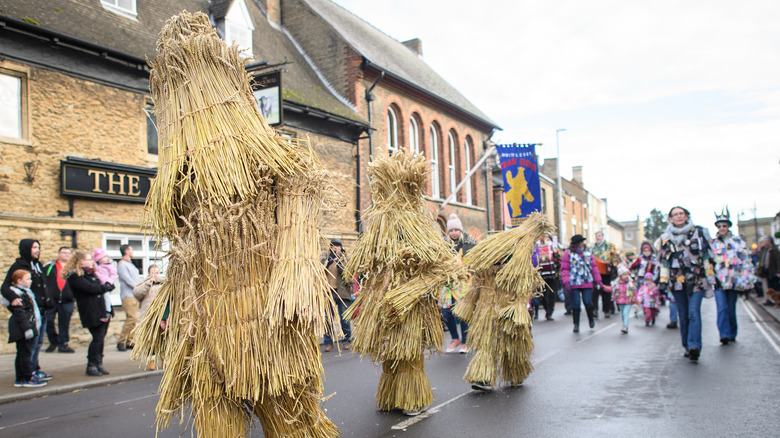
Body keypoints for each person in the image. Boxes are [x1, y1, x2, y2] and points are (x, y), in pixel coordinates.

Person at [658, 206, 715, 362]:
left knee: (694, 313)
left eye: (681, 213)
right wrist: (663, 281)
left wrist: (710, 278)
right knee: (683, 315)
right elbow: (664, 262)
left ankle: (694, 346)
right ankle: (686, 345)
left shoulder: (699, 233)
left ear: (686, 216)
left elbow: (706, 257)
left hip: (696, 280)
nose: (678, 216)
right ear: (670, 218)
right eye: (675, 214)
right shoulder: (665, 238)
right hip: (677, 281)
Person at [1, 239, 53, 382]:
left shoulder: (38, 265)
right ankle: (27, 374)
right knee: (29, 346)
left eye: (39, 247)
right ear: (26, 249)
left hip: (42, 311)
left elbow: (44, 286)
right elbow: (5, 287)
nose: (38, 250)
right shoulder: (19, 266)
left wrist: (50, 300)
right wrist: (13, 298)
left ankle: (35, 369)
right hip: (30, 313)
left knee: (38, 343)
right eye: (34, 247)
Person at [64, 251, 115, 376]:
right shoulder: (75, 276)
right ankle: (91, 365)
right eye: (88, 259)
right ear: (80, 261)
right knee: (97, 337)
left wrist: (106, 286)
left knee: (101, 337)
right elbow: (92, 289)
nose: (91, 261)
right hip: (91, 311)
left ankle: (99, 363)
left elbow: (104, 286)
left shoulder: (92, 274)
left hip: (103, 309)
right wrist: (106, 287)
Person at [711, 210, 753, 345]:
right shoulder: (712, 243)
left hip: (733, 280)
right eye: (719, 226)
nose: (722, 228)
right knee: (722, 308)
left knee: (730, 308)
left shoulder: (737, 241)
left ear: (729, 226)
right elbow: (708, 262)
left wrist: (745, 278)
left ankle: (732, 332)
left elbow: (745, 259)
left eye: (724, 225)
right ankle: (724, 334)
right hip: (719, 281)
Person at [3, 269, 47, 388]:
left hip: (24, 326)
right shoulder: (18, 295)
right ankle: (27, 378)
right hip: (22, 328)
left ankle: (20, 378)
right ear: (19, 281)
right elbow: (20, 314)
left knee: (22, 353)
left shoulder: (25, 292)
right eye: (27, 279)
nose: (30, 281)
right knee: (25, 353)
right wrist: (28, 329)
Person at [441, 214, 475, 353]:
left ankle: (465, 342)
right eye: (451, 231)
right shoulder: (443, 245)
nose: (454, 233)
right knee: (446, 313)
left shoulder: (469, 244)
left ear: (460, 230)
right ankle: (455, 338)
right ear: (448, 232)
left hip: (464, 284)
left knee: (462, 313)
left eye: (456, 230)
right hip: (448, 284)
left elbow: (474, 263)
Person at [561, 234, 604, 333]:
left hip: (586, 281)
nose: (582, 243)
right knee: (576, 304)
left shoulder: (588, 253)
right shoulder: (568, 254)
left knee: (587, 301)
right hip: (574, 282)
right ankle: (576, 324)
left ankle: (591, 319)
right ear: (576, 244)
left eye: (582, 242)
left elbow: (594, 268)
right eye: (580, 242)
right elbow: (565, 269)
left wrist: (598, 280)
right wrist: (566, 281)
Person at [43, 247, 75, 353]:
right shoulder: (49, 266)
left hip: (67, 300)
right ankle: (53, 341)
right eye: (64, 252)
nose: (66, 254)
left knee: (64, 323)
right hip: (52, 300)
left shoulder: (73, 268)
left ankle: (63, 344)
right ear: (59, 254)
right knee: (49, 321)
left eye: (68, 253)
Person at [322, 238, 352, 352]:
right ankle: (329, 343)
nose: (336, 248)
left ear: (341, 247)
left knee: (344, 318)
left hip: (342, 293)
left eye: (338, 246)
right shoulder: (325, 259)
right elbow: (320, 272)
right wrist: (328, 262)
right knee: (327, 319)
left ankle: (346, 341)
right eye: (334, 246)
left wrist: (338, 261)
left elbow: (346, 274)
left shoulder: (345, 259)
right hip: (329, 292)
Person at [134, 264, 163, 370]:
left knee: (163, 338)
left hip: (161, 316)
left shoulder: (162, 284)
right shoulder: (145, 284)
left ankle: (164, 359)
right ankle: (151, 361)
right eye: (152, 273)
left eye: (157, 272)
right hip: (149, 316)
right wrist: (148, 284)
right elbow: (137, 293)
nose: (155, 275)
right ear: (148, 274)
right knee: (151, 339)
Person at [116, 244, 140, 351]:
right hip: (128, 295)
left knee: (134, 319)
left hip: (134, 295)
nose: (132, 251)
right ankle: (121, 341)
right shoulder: (122, 265)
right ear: (126, 251)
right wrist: (138, 287)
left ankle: (130, 341)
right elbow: (127, 279)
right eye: (131, 249)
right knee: (131, 318)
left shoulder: (130, 264)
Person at [591, 231, 618, 319]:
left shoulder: (609, 246)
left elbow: (615, 258)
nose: (598, 238)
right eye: (596, 236)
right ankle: (594, 309)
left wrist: (611, 265)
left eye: (599, 236)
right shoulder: (593, 247)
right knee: (595, 291)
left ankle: (606, 310)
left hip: (606, 272)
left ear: (602, 236)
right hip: (595, 272)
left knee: (606, 291)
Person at [606, 264, 637, 334]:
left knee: (626, 313)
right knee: (623, 314)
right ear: (620, 276)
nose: (626, 276)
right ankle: (624, 325)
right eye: (624, 275)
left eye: (627, 274)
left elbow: (635, 291)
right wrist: (603, 287)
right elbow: (611, 289)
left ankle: (625, 326)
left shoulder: (631, 283)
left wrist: (635, 300)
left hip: (628, 301)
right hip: (620, 301)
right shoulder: (617, 284)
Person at [536, 235, 561, 321]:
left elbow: (560, 262)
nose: (546, 240)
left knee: (552, 295)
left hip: (553, 276)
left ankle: (549, 312)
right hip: (541, 276)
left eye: (548, 239)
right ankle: (547, 309)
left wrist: (555, 257)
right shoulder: (537, 249)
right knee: (542, 295)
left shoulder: (555, 250)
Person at [93, 248, 117, 325]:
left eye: (104, 257)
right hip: (99, 285)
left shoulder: (109, 265)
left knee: (106, 297)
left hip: (106, 284)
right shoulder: (97, 266)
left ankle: (107, 311)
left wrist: (109, 282)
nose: (103, 259)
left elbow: (114, 275)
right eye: (100, 258)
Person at [756, 236, 780, 305]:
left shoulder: (774, 249)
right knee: (770, 287)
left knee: (775, 287)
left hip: (773, 271)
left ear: (769, 241)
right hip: (767, 271)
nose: (764, 242)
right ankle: (772, 301)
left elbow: (778, 260)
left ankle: (777, 301)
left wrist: (778, 271)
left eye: (765, 241)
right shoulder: (766, 249)